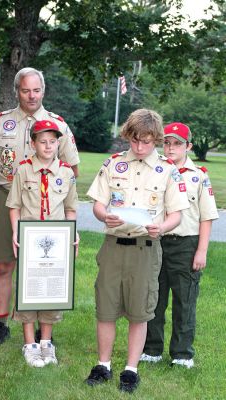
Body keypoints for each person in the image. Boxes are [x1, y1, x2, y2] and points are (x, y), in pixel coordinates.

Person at [84, 109, 190, 393]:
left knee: (139, 311)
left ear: (156, 139)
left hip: (146, 248)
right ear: (128, 137)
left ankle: (131, 369)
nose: (140, 147)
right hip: (113, 247)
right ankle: (103, 364)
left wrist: (162, 227)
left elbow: (177, 213)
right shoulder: (113, 164)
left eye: (146, 141)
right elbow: (98, 203)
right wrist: (104, 215)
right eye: (134, 141)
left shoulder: (168, 170)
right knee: (105, 308)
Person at [0, 67, 80, 346]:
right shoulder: (1, 123)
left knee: (44, 266)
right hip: (6, 197)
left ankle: (43, 328)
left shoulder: (56, 124)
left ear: (43, 91)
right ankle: (1, 324)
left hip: (45, 202)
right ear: (17, 91)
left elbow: (72, 168)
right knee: (3, 265)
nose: (31, 95)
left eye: (36, 90)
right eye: (25, 90)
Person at [140, 122, 219, 369]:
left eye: (177, 143)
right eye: (167, 142)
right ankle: (152, 349)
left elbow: (206, 216)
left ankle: (182, 354)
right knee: (154, 298)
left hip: (186, 244)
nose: (171, 148)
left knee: (185, 300)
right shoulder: (157, 171)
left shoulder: (199, 176)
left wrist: (201, 251)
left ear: (188, 146)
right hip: (156, 242)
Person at [6, 119, 79, 367]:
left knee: (51, 288)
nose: (48, 146)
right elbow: (14, 206)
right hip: (30, 238)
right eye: (43, 142)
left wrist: (73, 233)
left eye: (52, 142)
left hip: (56, 239)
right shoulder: (23, 170)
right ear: (33, 143)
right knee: (29, 289)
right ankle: (30, 344)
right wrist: (16, 233)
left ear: (58, 143)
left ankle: (46, 342)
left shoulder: (66, 172)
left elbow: (70, 209)